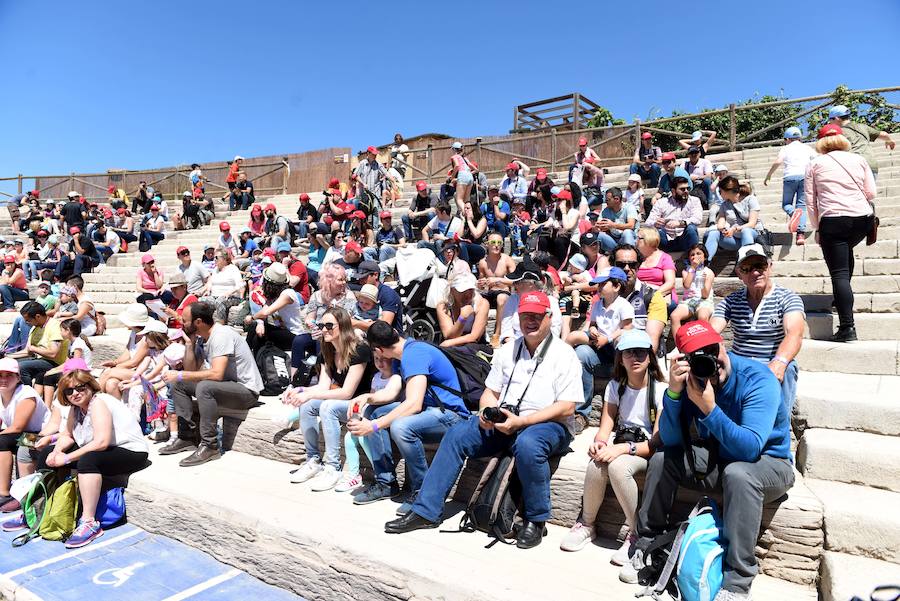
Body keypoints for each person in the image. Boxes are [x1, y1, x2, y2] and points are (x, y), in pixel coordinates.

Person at [384, 291, 580, 548]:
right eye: (525, 316)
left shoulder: (564, 354)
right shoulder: (509, 350)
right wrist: (487, 413)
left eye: (536, 316)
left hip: (548, 423)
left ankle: (536, 520)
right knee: (456, 435)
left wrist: (522, 422)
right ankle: (426, 511)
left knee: (529, 445)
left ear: (549, 317)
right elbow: (490, 392)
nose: (530, 321)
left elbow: (567, 407)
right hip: (506, 419)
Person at [626, 321, 793, 596]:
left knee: (739, 474)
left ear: (723, 345)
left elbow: (750, 449)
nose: (711, 361)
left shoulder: (757, 379)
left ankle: (737, 583)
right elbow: (670, 439)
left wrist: (709, 408)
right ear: (685, 360)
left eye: (712, 350)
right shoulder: (692, 382)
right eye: (698, 356)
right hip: (719, 460)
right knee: (661, 459)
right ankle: (647, 542)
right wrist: (675, 395)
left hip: (768, 464)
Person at [561, 329, 663, 558]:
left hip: (642, 449)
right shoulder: (616, 386)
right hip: (623, 444)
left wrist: (622, 449)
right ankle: (587, 524)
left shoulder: (661, 390)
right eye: (628, 353)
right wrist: (599, 443)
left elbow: (656, 443)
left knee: (618, 467)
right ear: (620, 358)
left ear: (650, 356)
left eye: (640, 352)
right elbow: (605, 426)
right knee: (596, 463)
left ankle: (636, 532)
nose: (635, 358)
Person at [347, 321, 471, 509]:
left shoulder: (414, 355)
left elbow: (413, 404)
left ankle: (422, 492)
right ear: (395, 333)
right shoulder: (406, 350)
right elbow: (393, 394)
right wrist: (368, 398)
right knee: (375, 412)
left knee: (401, 427)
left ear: (378, 350)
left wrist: (373, 426)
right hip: (430, 410)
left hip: (451, 415)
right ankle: (386, 483)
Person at [39, 369, 149, 548]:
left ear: (90, 386)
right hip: (107, 450)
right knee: (46, 453)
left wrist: (66, 458)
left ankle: (89, 522)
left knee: (88, 460)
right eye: (69, 391)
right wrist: (56, 452)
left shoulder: (99, 402)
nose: (75, 393)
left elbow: (101, 442)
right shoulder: (76, 409)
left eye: (80, 388)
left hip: (130, 451)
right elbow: (67, 435)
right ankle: (44, 506)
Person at [281, 307, 375, 491]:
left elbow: (347, 392)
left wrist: (308, 393)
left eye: (329, 325)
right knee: (307, 404)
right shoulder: (328, 350)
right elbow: (323, 386)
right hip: (344, 405)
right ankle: (313, 460)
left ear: (343, 326)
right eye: (321, 325)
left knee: (328, 407)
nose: (324, 329)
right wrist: (300, 391)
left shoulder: (359, 349)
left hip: (361, 407)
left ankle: (333, 467)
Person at [159, 301, 263, 467]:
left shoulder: (221, 335)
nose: (181, 323)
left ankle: (210, 445)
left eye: (185, 320)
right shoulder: (202, 338)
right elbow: (191, 370)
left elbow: (216, 374)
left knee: (204, 386)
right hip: (225, 388)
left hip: (246, 392)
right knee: (179, 384)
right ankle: (187, 436)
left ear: (198, 322)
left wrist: (179, 374)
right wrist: (189, 344)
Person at [711, 244, 805, 417]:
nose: (755, 273)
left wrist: (779, 362)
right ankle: (714, 431)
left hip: (770, 361)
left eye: (760, 266)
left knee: (789, 366)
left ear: (769, 267)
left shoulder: (787, 298)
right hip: (740, 363)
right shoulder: (731, 301)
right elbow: (712, 330)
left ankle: (779, 427)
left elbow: (795, 334)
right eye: (747, 268)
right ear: (739, 274)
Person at [805, 124, 877, 343]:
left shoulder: (815, 164)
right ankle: (842, 296)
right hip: (862, 220)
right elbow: (871, 193)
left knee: (839, 274)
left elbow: (810, 200)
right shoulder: (859, 159)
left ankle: (847, 327)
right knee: (846, 258)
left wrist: (817, 227)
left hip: (834, 220)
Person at [569, 267, 634, 413]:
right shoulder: (598, 304)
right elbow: (593, 323)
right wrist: (592, 330)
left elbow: (627, 329)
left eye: (603, 284)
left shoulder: (624, 306)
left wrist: (608, 338)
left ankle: (620, 406)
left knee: (621, 341)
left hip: (617, 349)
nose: (599, 288)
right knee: (581, 352)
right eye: (598, 284)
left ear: (617, 286)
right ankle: (582, 410)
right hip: (599, 346)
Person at [290, 264, 357, 380]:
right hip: (318, 331)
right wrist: (311, 323)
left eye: (345, 279)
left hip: (338, 335)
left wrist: (324, 329)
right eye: (340, 280)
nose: (344, 283)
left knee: (321, 341)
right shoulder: (317, 296)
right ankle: (295, 379)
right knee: (299, 340)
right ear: (329, 280)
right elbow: (309, 317)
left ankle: (323, 379)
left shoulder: (348, 296)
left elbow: (345, 321)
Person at [0, 358, 49, 511]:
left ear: (18, 378)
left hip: (41, 438)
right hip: (21, 436)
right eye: (0, 375)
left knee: (1, 441)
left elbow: (17, 427)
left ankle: (4, 493)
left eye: (9, 375)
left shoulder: (26, 394)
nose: (3, 379)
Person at [763, 127, 817, 244]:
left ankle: (793, 214)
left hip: (789, 178)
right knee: (801, 206)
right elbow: (816, 160)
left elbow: (778, 161)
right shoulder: (807, 148)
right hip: (805, 177)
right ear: (799, 138)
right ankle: (800, 236)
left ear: (787, 139)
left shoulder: (785, 148)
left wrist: (768, 175)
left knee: (786, 204)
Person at [499, 260, 563, 345]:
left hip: (544, 347)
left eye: (517, 282)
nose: (514, 285)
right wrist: (518, 348)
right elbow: (506, 330)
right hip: (514, 346)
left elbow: (555, 330)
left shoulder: (550, 301)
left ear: (530, 284)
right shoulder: (513, 300)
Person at [245, 263, 305, 353]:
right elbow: (263, 311)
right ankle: (249, 357)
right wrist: (260, 323)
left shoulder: (288, 294)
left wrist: (252, 318)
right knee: (258, 333)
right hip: (281, 332)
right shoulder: (273, 295)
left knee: (255, 327)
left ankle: (245, 355)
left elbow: (266, 312)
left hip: (294, 336)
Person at [828, 104, 895, 179]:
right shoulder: (862, 126)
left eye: (830, 119)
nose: (829, 122)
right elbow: (884, 134)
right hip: (870, 164)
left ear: (837, 118)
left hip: (853, 165)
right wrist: (889, 141)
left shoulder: (838, 132)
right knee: (870, 190)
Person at [703, 176, 762, 259]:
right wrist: (722, 229)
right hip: (736, 239)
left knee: (746, 231)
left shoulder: (750, 200)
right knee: (714, 233)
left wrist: (734, 229)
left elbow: (752, 224)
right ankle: (705, 263)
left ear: (728, 191)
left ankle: (747, 261)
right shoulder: (724, 205)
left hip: (753, 237)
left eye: (720, 191)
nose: (719, 194)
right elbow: (721, 221)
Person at [12, 302, 68, 386]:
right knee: (9, 363)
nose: (27, 323)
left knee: (21, 367)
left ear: (38, 316)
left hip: (54, 363)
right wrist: (7, 356)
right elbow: (27, 351)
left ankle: (28, 394)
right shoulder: (34, 328)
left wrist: (34, 349)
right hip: (39, 360)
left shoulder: (55, 326)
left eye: (28, 320)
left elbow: (53, 353)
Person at [477, 232, 516, 345]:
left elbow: (516, 281)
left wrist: (498, 280)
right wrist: (481, 283)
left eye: (499, 243)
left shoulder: (507, 260)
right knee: (478, 299)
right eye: (493, 242)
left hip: (504, 293)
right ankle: (479, 334)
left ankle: (497, 334)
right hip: (489, 294)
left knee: (501, 298)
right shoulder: (483, 263)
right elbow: (481, 284)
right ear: (487, 245)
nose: (496, 245)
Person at [646, 177, 702, 253]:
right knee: (656, 232)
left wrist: (681, 223)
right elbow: (648, 222)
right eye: (682, 189)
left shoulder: (694, 201)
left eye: (687, 189)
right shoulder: (661, 203)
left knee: (691, 229)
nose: (686, 191)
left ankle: (694, 261)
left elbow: (697, 219)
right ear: (673, 191)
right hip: (666, 240)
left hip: (684, 239)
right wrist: (656, 223)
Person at [671, 244, 716, 335]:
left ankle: (704, 345)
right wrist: (693, 269)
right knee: (674, 316)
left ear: (705, 257)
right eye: (692, 255)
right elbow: (686, 285)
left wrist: (702, 282)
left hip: (704, 301)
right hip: (689, 301)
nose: (695, 256)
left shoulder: (708, 272)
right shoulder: (686, 271)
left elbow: (705, 295)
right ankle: (681, 345)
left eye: (698, 253)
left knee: (703, 316)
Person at [436, 274, 489, 347]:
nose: (467, 294)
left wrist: (449, 343)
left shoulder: (482, 304)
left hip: (475, 346)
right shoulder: (443, 307)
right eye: (463, 291)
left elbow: (475, 337)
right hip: (453, 346)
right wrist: (462, 318)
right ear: (452, 291)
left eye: (470, 290)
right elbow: (449, 337)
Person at [351, 261, 403, 333]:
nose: (361, 281)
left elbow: (384, 327)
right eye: (360, 278)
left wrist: (355, 323)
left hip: (387, 339)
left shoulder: (388, 295)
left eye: (364, 278)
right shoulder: (364, 290)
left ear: (375, 275)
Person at [198, 250, 245, 324]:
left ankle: (221, 324)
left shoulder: (233, 269)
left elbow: (240, 285)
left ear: (224, 259)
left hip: (231, 297)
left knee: (219, 302)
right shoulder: (215, 270)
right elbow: (210, 282)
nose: (214, 259)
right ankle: (206, 324)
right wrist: (208, 290)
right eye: (214, 257)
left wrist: (230, 292)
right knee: (201, 300)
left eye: (216, 257)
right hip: (215, 296)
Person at [635, 228, 676, 307]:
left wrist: (652, 295)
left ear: (648, 239)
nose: (635, 241)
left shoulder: (665, 258)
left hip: (660, 294)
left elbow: (670, 283)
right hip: (639, 294)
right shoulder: (636, 258)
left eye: (638, 238)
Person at [596, 187, 638, 251]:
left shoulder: (629, 207)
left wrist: (612, 225)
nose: (606, 202)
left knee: (627, 232)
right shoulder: (605, 210)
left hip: (629, 239)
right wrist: (599, 226)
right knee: (599, 235)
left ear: (617, 199)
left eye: (608, 200)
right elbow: (599, 225)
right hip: (614, 241)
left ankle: (630, 256)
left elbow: (631, 225)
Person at [448, 141, 474, 213]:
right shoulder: (464, 158)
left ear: (454, 149)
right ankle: (471, 215)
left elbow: (456, 165)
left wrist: (452, 177)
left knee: (459, 199)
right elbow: (475, 169)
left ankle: (467, 215)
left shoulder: (455, 156)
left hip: (462, 175)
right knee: (466, 200)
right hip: (469, 175)